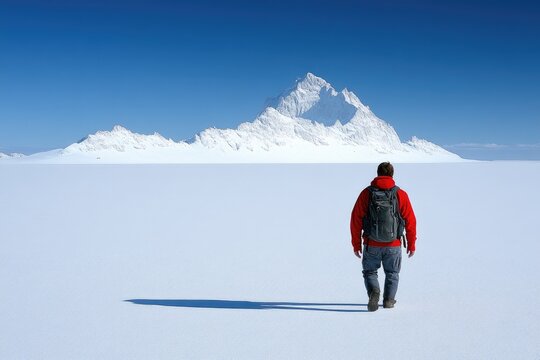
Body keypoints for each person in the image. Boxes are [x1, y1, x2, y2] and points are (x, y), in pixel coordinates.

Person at [350, 162, 416, 311]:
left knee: (370, 271)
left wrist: (356, 244)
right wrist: (411, 244)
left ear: (378, 173)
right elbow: (410, 220)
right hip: (393, 244)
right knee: (392, 273)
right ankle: (388, 300)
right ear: (392, 175)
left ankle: (374, 291)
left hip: (371, 243)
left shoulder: (366, 193)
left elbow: (355, 219)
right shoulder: (400, 194)